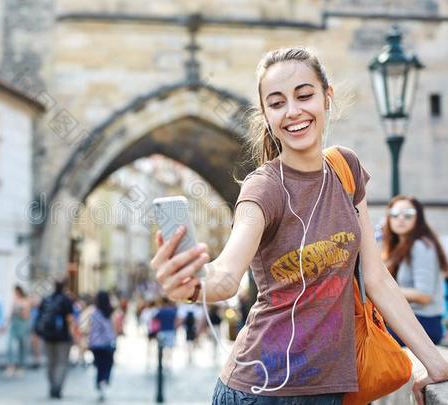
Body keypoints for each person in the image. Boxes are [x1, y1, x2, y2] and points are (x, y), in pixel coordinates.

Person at [150, 47, 448, 405]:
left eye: (304, 95)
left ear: (327, 97)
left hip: (329, 391)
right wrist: (192, 284)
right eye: (276, 103)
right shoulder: (263, 187)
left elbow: (377, 278)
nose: (293, 112)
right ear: (266, 115)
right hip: (259, 392)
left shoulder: (346, 168)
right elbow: (227, 274)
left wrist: (434, 361)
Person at [382, 195, 448, 346]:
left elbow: (424, 295)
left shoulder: (421, 246)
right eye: (394, 214)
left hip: (424, 324)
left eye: (408, 214)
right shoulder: (398, 247)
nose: (401, 218)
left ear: (418, 218)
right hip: (408, 321)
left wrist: (382, 289)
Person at [36, 280, 76, 399]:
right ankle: (57, 386)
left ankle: (52, 384)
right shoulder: (66, 300)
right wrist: (72, 334)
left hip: (48, 336)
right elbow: (69, 319)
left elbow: (39, 317)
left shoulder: (46, 300)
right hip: (63, 337)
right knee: (62, 362)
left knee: (51, 362)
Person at [88, 291, 117, 402]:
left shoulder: (94, 312)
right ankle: (104, 381)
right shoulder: (111, 313)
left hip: (96, 344)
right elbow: (114, 328)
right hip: (108, 343)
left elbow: (90, 328)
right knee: (108, 364)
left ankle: (100, 382)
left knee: (99, 365)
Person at [5, 285, 31, 378]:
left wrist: (21, 311)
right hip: (14, 325)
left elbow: (26, 315)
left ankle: (21, 366)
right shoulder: (14, 301)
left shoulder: (25, 301)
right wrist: (5, 325)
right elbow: (10, 314)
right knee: (10, 345)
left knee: (22, 347)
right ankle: (11, 366)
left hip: (22, 325)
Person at [154, 297, 178, 370]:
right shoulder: (173, 311)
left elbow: (155, 319)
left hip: (162, 331)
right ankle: (169, 364)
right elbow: (176, 321)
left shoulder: (160, 311)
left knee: (161, 348)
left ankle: (161, 364)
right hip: (170, 331)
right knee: (169, 349)